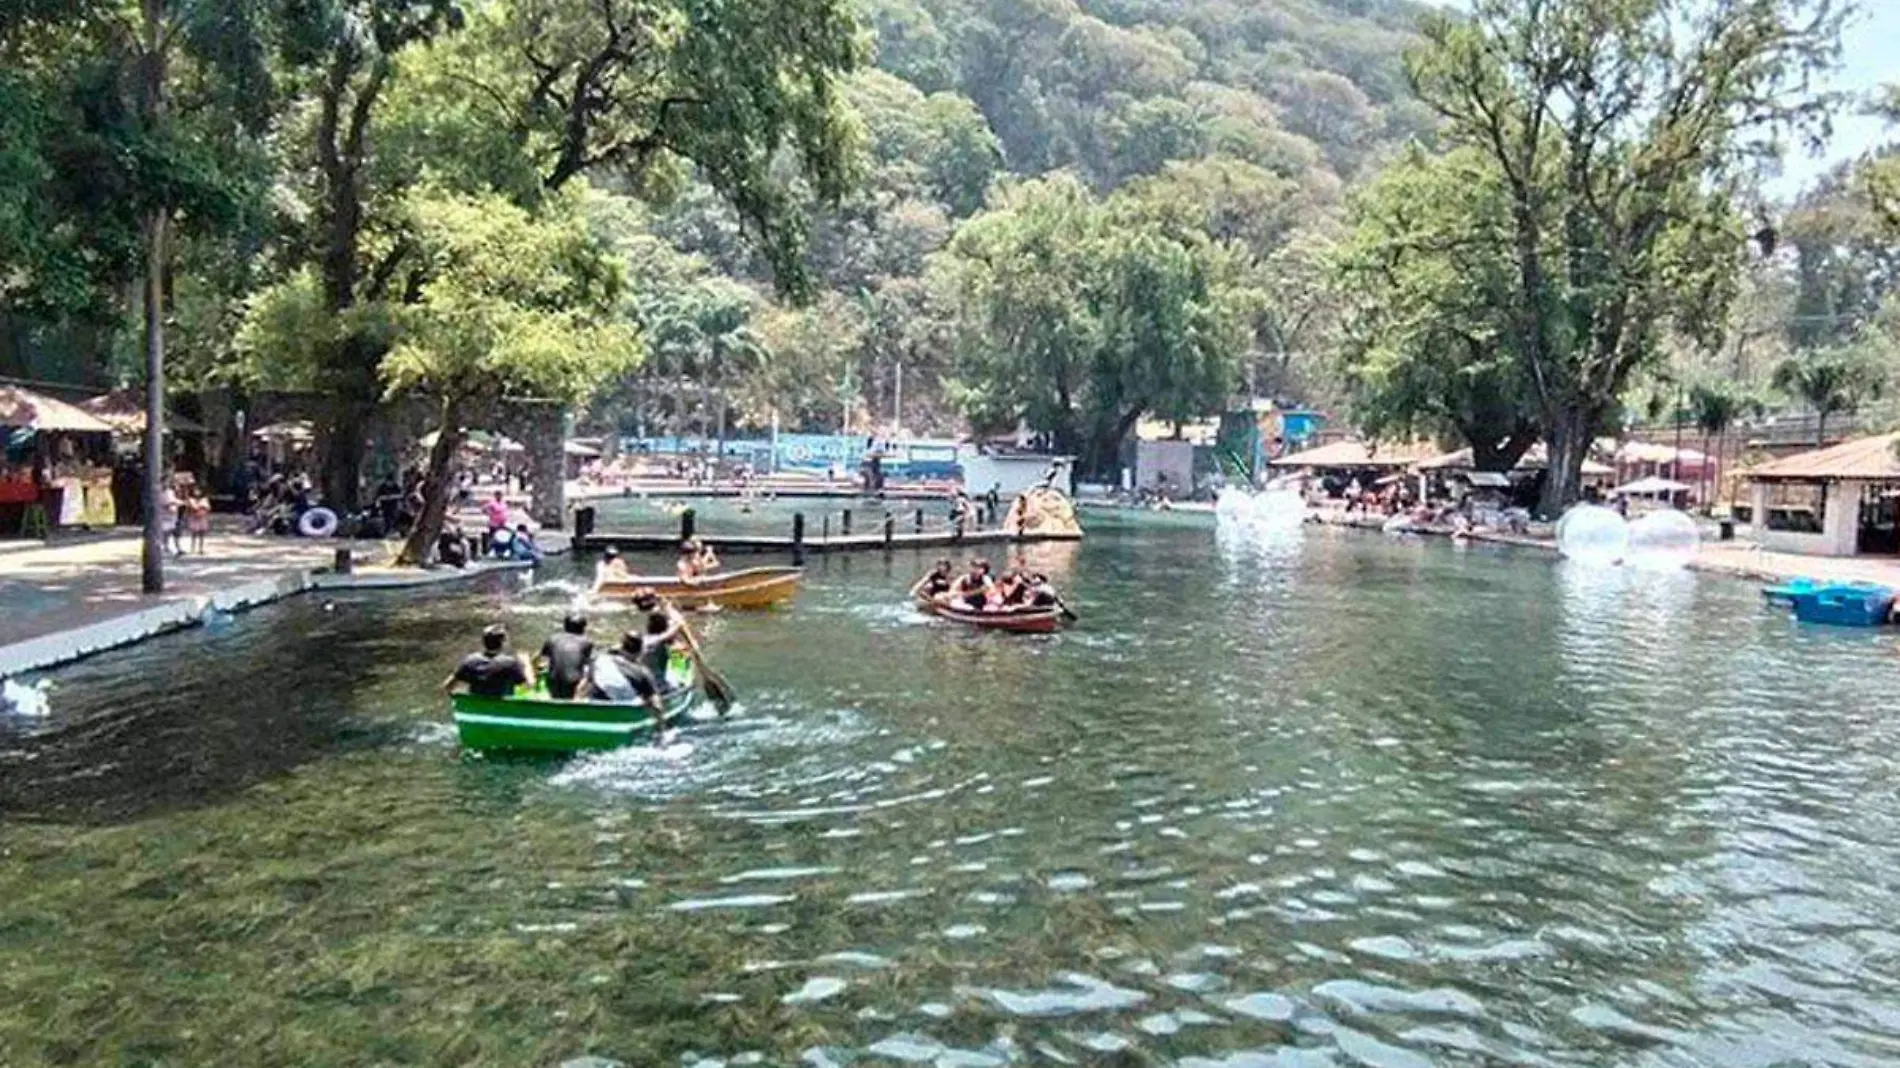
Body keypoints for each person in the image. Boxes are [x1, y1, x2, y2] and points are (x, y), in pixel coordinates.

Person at [443, 624, 534, 697]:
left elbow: (448, 686)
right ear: (503, 643)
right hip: (502, 710)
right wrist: (526, 664)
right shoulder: (510, 663)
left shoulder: (470, 661)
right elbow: (529, 686)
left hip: (475, 710)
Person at [631, 588, 686, 689]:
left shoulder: (644, 640)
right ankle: (680, 684)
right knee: (680, 652)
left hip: (643, 684)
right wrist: (669, 608)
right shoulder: (662, 640)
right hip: (659, 687)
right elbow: (678, 623)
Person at [537, 613, 594, 700]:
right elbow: (590, 666)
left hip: (553, 682)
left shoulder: (552, 639)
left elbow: (541, 659)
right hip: (574, 684)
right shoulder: (586, 642)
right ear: (583, 628)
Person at [186, 488, 212, 555]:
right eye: (196, 490)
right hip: (194, 518)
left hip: (202, 518)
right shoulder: (191, 500)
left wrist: (203, 510)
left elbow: (208, 508)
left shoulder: (204, 499)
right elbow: (191, 508)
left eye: (198, 491)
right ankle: (192, 549)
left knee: (202, 535)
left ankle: (201, 549)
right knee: (193, 534)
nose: (197, 492)